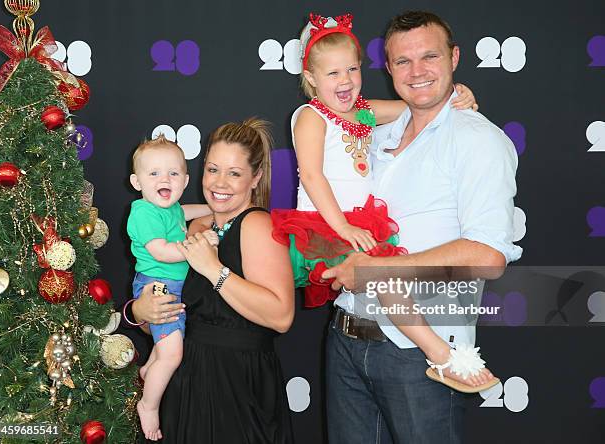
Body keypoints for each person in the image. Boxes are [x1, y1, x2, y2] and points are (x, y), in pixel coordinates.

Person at [321, 10, 522, 443]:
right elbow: (331, 109)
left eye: (429, 57)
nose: (417, 72)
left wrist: (376, 271)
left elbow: (487, 257)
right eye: (402, 62)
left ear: (454, 57)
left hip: (420, 354)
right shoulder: (375, 133)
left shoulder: (478, 141)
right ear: (388, 69)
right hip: (346, 337)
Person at [272, 13, 478, 309]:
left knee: (381, 288)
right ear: (311, 79)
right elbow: (312, 177)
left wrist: (456, 94)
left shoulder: (364, 111)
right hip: (326, 223)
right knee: (378, 287)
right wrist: (343, 228)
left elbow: (415, 104)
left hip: (361, 220)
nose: (345, 80)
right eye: (333, 74)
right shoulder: (311, 116)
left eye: (352, 69)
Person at [125, 118, 295, 443]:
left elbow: (282, 316)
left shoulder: (257, 225)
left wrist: (213, 269)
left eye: (234, 173)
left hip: (238, 388)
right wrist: (139, 312)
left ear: (255, 177)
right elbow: (167, 316)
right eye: (213, 169)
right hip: (185, 382)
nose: (220, 182)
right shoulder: (191, 226)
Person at [127, 136, 213, 441]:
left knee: (167, 349)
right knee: (173, 354)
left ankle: (150, 369)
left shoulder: (170, 207)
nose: (165, 179)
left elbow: (184, 212)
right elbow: (162, 251)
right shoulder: (143, 213)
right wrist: (197, 245)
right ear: (137, 182)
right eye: (154, 174)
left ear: (185, 179)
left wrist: (210, 208)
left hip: (175, 287)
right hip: (157, 287)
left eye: (173, 174)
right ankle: (148, 406)